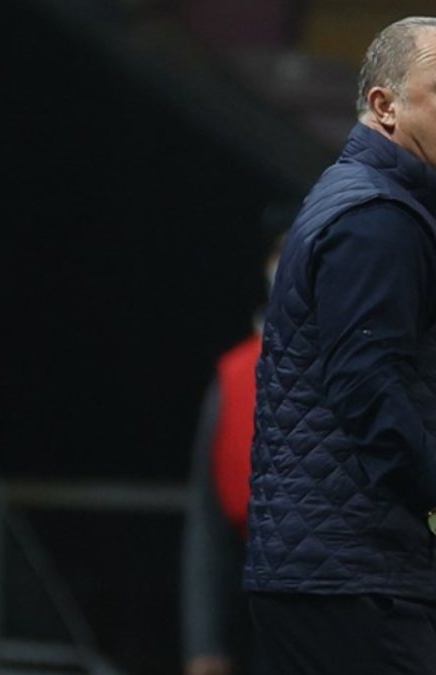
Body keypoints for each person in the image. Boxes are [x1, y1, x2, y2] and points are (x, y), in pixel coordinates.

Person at [244, 17, 436, 674]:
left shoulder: (391, 210)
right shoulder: (377, 219)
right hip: (356, 587)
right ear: (385, 106)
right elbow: (365, 387)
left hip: (365, 577)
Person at [181, 204, 292, 675]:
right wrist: (203, 643)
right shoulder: (235, 378)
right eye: (284, 252)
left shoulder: (377, 367)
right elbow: (207, 525)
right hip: (267, 615)